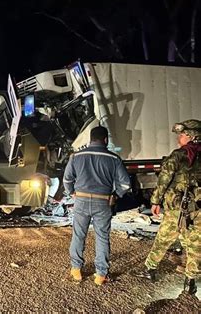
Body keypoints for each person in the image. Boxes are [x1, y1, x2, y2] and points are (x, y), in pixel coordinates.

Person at [136, 119, 200, 295]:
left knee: (164, 239)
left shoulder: (178, 156)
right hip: (199, 210)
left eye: (183, 134)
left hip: (177, 209)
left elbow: (163, 181)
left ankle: (150, 270)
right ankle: (190, 281)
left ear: (193, 136)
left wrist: (155, 201)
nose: (179, 137)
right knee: (195, 245)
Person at [63, 126, 131, 285]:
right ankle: (101, 275)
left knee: (79, 234)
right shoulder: (113, 158)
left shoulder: (76, 156)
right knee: (102, 236)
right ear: (105, 140)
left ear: (90, 139)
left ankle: (76, 270)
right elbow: (125, 184)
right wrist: (116, 195)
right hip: (103, 202)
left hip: (81, 200)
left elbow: (67, 179)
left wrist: (72, 192)